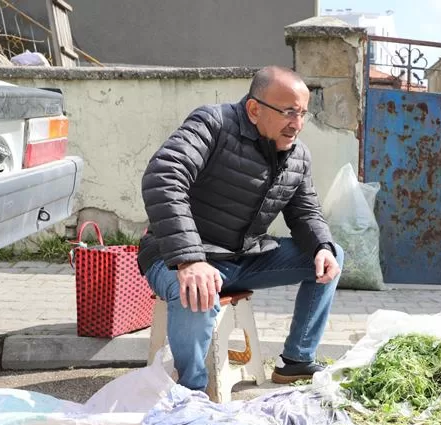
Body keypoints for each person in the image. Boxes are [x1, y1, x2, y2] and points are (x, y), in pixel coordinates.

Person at [138, 66, 344, 389]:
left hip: (242, 257)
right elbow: (163, 176)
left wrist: (321, 246)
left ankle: (297, 360)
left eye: (303, 113)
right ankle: (190, 394)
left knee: (331, 256)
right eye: (289, 112)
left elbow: (306, 214)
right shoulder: (213, 124)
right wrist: (190, 260)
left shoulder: (297, 156)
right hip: (175, 255)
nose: (298, 124)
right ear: (253, 109)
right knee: (194, 290)